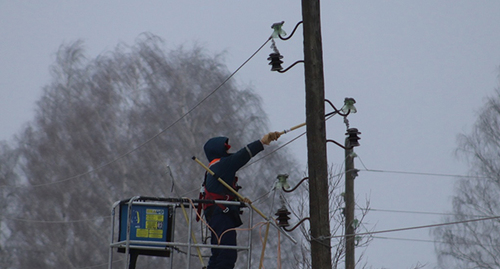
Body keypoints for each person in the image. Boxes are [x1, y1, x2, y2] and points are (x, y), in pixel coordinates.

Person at [201, 132, 280, 269]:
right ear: (219, 151)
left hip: (215, 214)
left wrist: (239, 201)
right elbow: (240, 156)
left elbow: (220, 192)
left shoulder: (215, 168)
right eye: (226, 149)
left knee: (218, 252)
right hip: (221, 215)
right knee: (227, 254)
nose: (228, 151)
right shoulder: (221, 165)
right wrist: (261, 142)